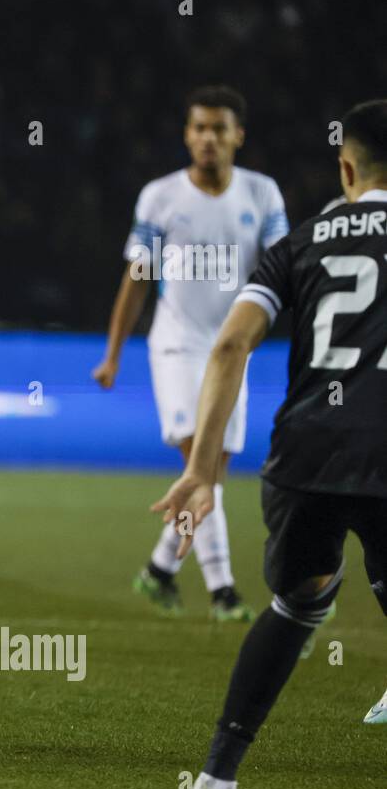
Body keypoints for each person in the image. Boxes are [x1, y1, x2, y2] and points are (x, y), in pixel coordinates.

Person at [155, 99, 387, 789]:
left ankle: (215, 785)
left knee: (298, 605)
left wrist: (200, 469)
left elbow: (229, 347)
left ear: (346, 167)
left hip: (304, 455)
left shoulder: (302, 240)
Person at [94, 86, 288, 621]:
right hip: (177, 345)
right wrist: (113, 355)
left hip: (232, 349)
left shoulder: (262, 195)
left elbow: (280, 270)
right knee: (195, 461)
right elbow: (137, 280)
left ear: (237, 136)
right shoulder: (161, 197)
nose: (208, 138)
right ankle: (225, 592)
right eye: (199, 128)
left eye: (219, 129)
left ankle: (159, 571)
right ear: (187, 134)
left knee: (213, 471)